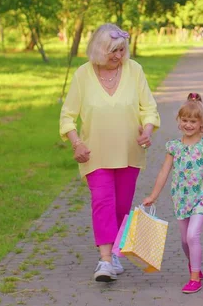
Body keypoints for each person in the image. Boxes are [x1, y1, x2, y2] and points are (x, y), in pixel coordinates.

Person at [59, 23, 160, 282]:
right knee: (102, 201)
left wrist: (147, 130)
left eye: (121, 50)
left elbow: (149, 108)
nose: (118, 56)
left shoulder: (134, 70)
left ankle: (115, 253)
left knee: (121, 205)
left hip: (129, 153)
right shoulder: (83, 74)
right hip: (95, 154)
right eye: (112, 51)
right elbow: (67, 116)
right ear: (98, 50)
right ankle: (105, 260)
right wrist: (76, 143)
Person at [142, 92, 203, 294]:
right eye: (185, 120)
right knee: (185, 240)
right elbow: (163, 172)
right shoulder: (174, 147)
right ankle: (193, 264)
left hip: (201, 198)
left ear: (201, 124)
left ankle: (195, 277)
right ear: (179, 121)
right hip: (181, 198)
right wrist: (153, 196)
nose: (188, 125)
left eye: (193, 121)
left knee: (193, 235)